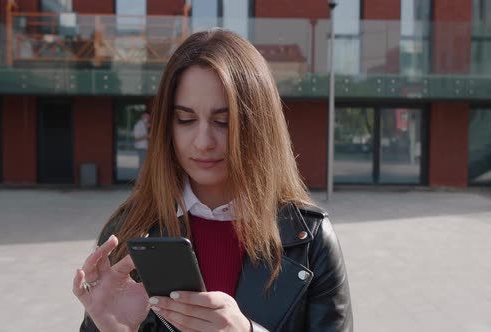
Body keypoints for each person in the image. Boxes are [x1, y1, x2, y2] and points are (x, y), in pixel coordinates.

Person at [73, 28, 353, 332]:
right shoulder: (126, 231)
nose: (203, 141)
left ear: (258, 125)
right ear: (167, 125)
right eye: (186, 119)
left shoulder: (309, 239)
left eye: (223, 121)